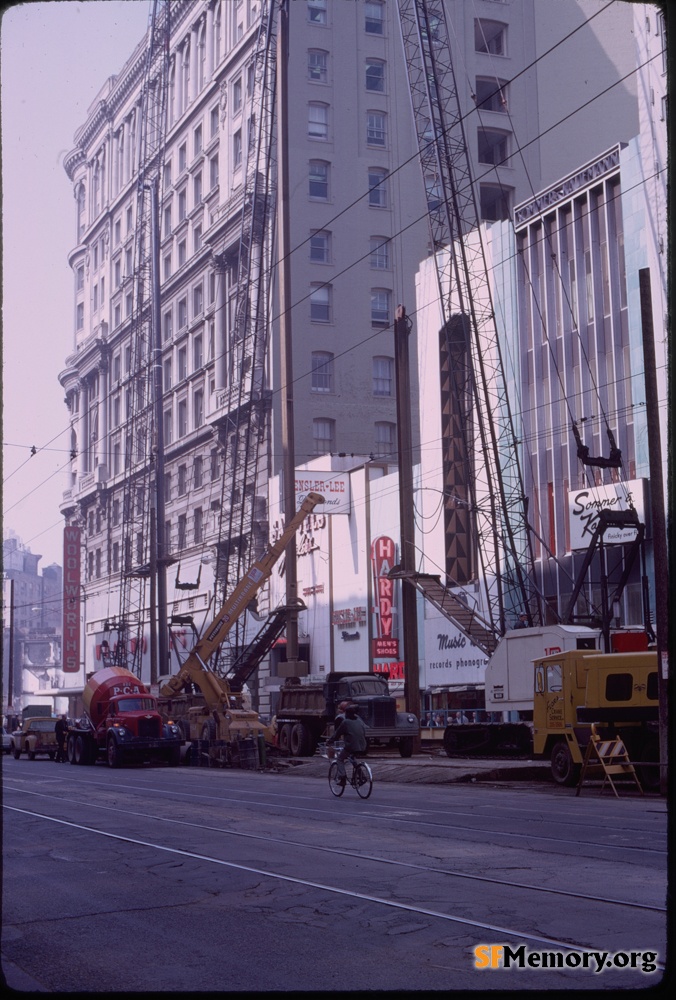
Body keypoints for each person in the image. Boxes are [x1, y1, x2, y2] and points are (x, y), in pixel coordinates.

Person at [327, 704, 367, 784]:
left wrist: (329, 741)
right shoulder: (359, 720)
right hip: (363, 745)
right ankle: (362, 776)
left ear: (346, 714)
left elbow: (337, 734)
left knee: (340, 759)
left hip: (351, 746)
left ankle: (342, 778)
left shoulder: (345, 722)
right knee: (352, 758)